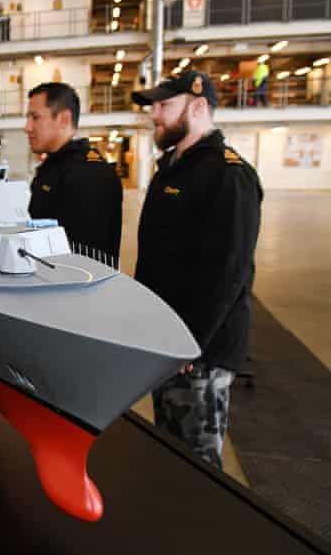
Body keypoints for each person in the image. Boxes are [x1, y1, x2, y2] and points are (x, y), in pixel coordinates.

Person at [132, 71, 263, 469]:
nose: (155, 114)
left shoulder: (228, 174)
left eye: (164, 105)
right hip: (169, 342)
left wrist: (192, 340)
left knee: (200, 462)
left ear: (199, 106)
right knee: (172, 451)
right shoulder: (173, 168)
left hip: (199, 352)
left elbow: (228, 271)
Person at [24, 82, 123, 261]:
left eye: (35, 117)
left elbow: (85, 257)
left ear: (63, 119)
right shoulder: (54, 166)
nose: (27, 127)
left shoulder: (89, 174)